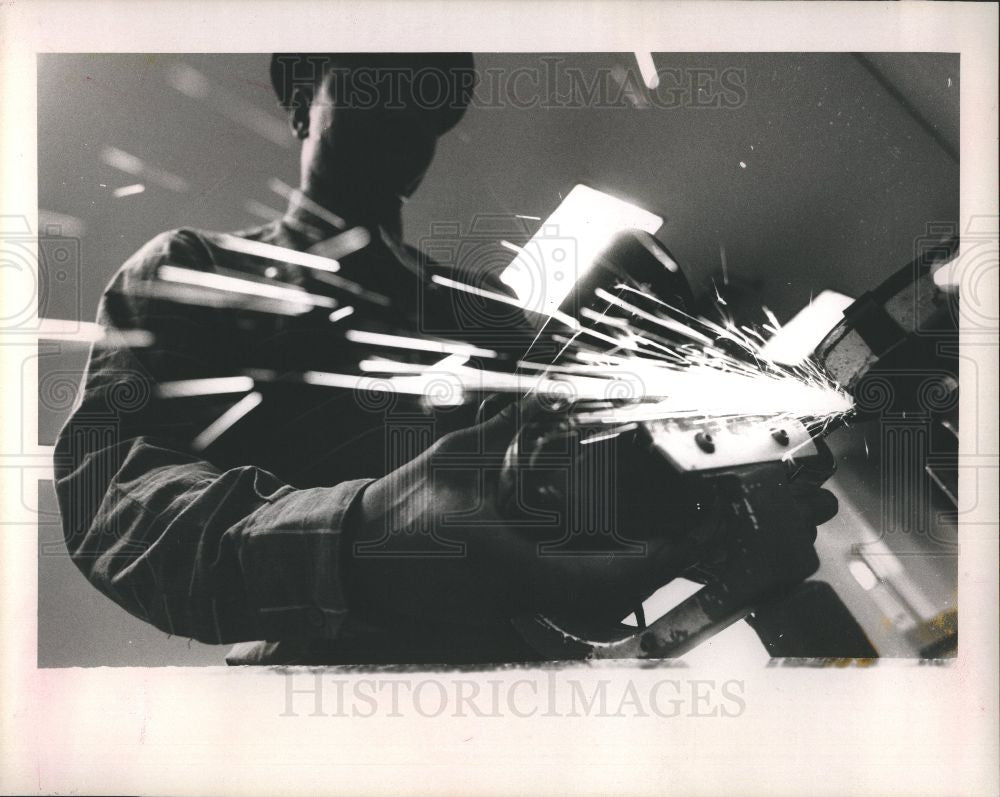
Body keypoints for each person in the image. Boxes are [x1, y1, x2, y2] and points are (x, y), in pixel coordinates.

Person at [54, 53, 837, 665]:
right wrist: (358, 533)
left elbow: (587, 508)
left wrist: (714, 524)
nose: (404, 108)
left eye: (428, 96)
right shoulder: (195, 268)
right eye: (376, 77)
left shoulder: (499, 314)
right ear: (300, 91)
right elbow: (115, 503)